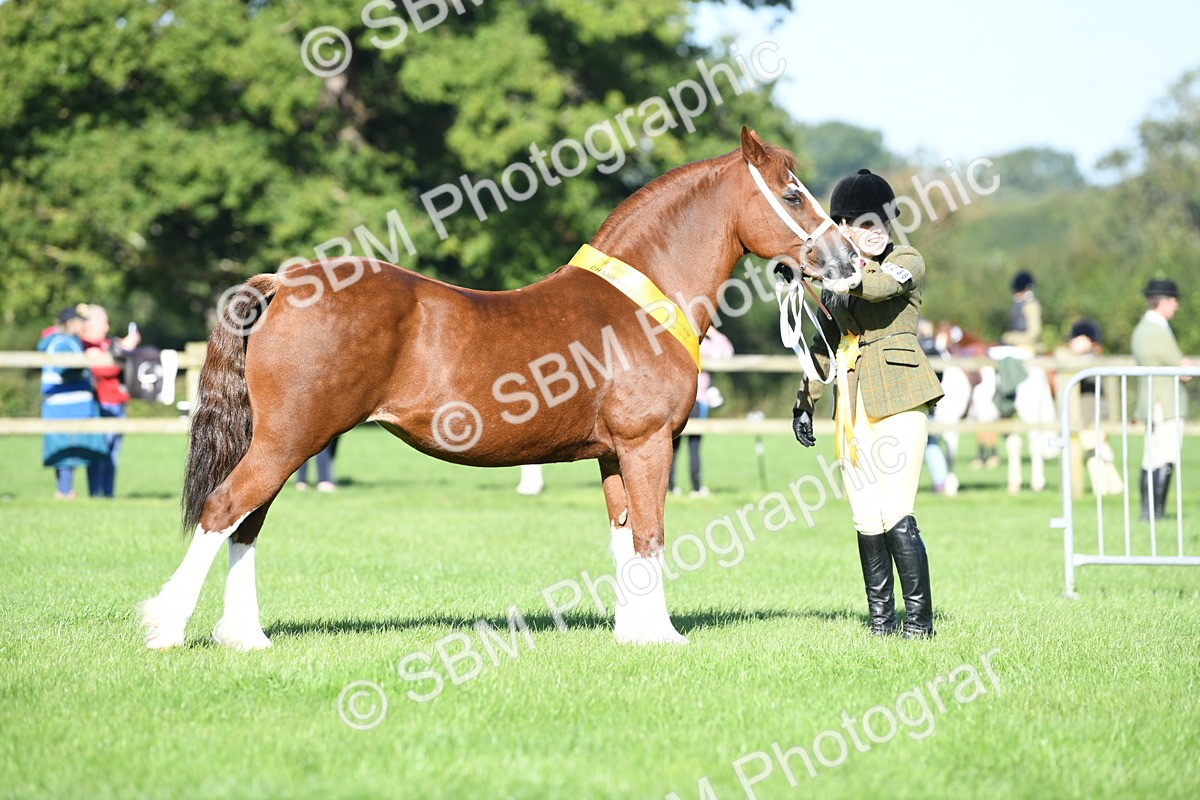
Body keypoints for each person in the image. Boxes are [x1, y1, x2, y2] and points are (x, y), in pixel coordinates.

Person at [792, 168, 944, 638]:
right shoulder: (839, 275)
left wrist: (829, 271)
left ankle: (918, 624)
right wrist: (805, 400)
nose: (875, 233)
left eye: (880, 223)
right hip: (852, 404)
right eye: (863, 226)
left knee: (896, 508)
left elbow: (876, 286)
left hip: (901, 396)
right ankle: (881, 622)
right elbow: (825, 345)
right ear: (842, 229)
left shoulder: (907, 260)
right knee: (865, 514)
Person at [1132, 278, 1193, 520]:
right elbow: (1183, 369)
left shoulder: (1142, 329)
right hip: (1165, 401)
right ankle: (1157, 511)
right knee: (1166, 455)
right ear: (1164, 302)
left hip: (1150, 399)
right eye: (1174, 301)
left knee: (1151, 456)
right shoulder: (1157, 331)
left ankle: (1148, 511)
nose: (1176, 306)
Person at [38, 305, 107, 498]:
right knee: (66, 451)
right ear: (70, 323)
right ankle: (64, 491)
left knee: (79, 450)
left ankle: (72, 492)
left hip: (72, 405)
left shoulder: (70, 341)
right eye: (79, 320)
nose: (83, 324)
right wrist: (85, 362)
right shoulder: (61, 342)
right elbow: (64, 369)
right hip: (65, 406)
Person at [81, 304, 141, 497]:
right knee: (100, 452)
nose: (107, 327)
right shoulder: (87, 345)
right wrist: (125, 348)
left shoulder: (107, 343)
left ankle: (107, 495)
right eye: (103, 322)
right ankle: (96, 494)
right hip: (103, 404)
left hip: (117, 402)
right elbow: (104, 369)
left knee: (113, 453)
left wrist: (123, 347)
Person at [1058, 319, 1121, 498]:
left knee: (1094, 450)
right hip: (1091, 412)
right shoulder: (1087, 359)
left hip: (1092, 413)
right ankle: (1114, 486)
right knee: (1097, 449)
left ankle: (1102, 487)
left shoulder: (1090, 361)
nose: (1071, 342)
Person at [668, 327, 733, 498]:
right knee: (694, 446)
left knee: (673, 446)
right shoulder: (704, 346)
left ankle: (671, 487)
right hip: (698, 400)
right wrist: (714, 334)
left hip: (678, 400)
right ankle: (696, 488)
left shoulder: (681, 342)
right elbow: (727, 352)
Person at [1000, 270, 1043, 352]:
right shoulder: (1018, 305)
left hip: (1029, 346)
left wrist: (1014, 338)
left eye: (1018, 291)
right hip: (1016, 345)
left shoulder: (1031, 306)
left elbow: (1034, 332)